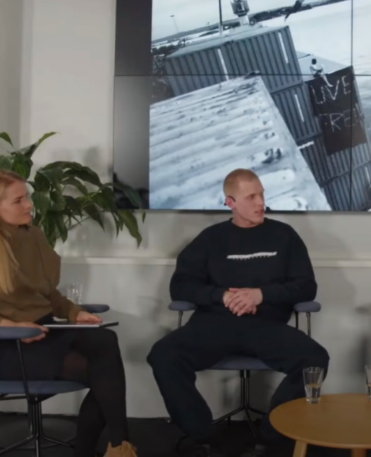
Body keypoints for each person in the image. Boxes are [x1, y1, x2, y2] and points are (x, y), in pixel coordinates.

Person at [147, 168, 329, 457]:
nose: (261, 203)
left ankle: (273, 432)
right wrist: (221, 295)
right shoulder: (210, 239)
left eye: (262, 195)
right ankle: (202, 434)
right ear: (230, 202)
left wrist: (261, 294)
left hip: (266, 326)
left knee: (315, 359)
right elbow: (180, 286)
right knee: (163, 355)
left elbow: (307, 286)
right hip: (213, 325)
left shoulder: (284, 236)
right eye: (251, 197)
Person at [0, 170, 136, 457]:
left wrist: (75, 312)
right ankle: (115, 447)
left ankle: (115, 444)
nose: (29, 205)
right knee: (103, 375)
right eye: (18, 200)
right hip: (8, 341)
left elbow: (48, 294)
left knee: (105, 340)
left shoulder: (33, 235)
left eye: (27, 197)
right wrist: (10, 325)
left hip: (43, 328)